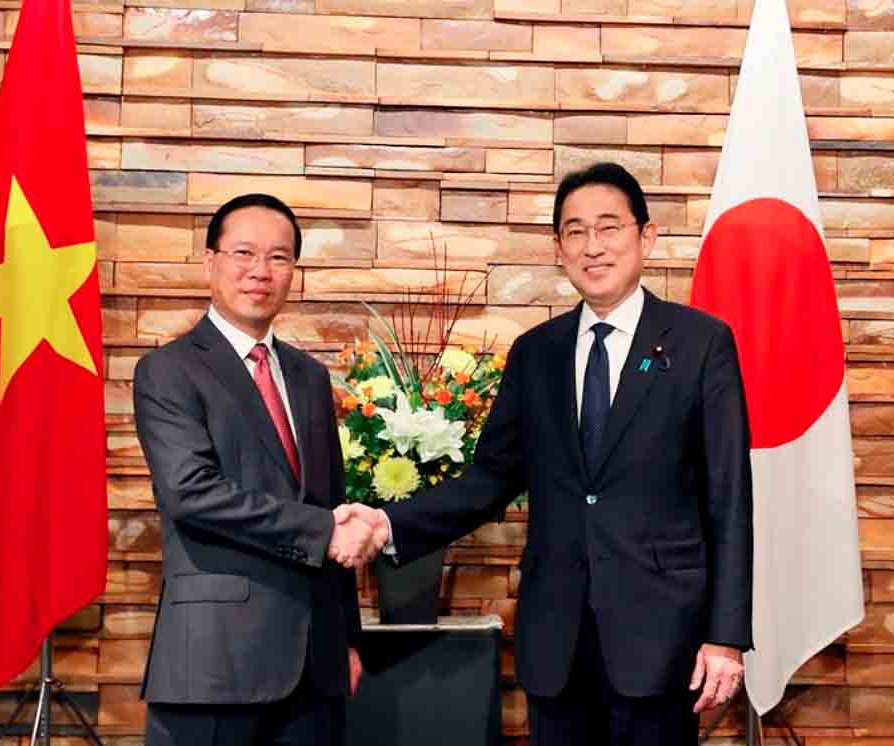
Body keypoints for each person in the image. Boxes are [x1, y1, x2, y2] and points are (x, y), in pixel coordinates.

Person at [343, 163, 753, 746]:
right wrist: (387, 522)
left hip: (663, 638)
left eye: (609, 228)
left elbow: (729, 498)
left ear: (647, 236)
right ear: (558, 248)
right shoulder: (537, 353)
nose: (593, 247)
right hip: (555, 639)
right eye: (575, 231)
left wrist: (726, 635)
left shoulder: (699, 343)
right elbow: (489, 479)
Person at [133, 193, 383, 746]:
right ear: (210, 263)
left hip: (316, 666)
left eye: (279, 257)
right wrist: (325, 531)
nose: (260, 272)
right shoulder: (167, 372)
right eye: (244, 253)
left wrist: (346, 638)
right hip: (215, 664)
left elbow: (328, 501)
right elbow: (191, 493)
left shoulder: (309, 377)